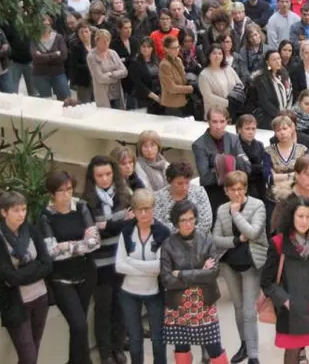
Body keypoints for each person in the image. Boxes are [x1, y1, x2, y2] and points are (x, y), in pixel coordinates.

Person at [260, 197, 309, 364]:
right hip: (291, 308)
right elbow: (266, 281)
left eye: (308, 216)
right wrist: (284, 301)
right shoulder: (278, 242)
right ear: (291, 217)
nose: (304, 221)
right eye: (300, 216)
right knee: (292, 354)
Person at [40, 171, 100, 364]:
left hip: (86, 274)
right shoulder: (46, 215)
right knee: (79, 325)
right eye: (61, 191)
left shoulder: (81, 208)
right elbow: (51, 251)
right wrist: (81, 245)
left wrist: (67, 246)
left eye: (69, 189)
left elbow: (95, 242)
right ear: (52, 194)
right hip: (62, 279)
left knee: (78, 328)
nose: (66, 195)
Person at [160, 200, 228, 364]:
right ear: (176, 222)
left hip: (205, 302)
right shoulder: (168, 245)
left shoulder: (206, 239)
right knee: (181, 349)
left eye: (191, 219)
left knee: (214, 348)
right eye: (183, 220)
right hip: (179, 306)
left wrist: (181, 274)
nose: (188, 224)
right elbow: (167, 280)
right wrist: (200, 274)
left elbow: (213, 273)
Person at [212, 171, 268, 364]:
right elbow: (215, 239)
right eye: (233, 190)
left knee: (249, 311)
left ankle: (253, 355)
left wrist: (236, 214)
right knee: (238, 307)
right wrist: (236, 240)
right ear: (226, 191)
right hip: (229, 262)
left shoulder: (257, 205)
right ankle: (244, 344)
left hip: (251, 261)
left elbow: (253, 233)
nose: (237, 193)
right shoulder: (221, 210)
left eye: (241, 189)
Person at [82, 155, 133, 364]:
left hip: (122, 259)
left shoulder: (124, 195)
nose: (105, 179)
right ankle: (105, 353)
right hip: (100, 263)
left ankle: (118, 348)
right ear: (92, 177)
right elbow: (93, 235)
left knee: (120, 307)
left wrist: (107, 226)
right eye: (100, 175)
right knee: (103, 309)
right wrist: (116, 224)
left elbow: (132, 225)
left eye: (108, 174)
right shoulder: (86, 202)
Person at [115, 189, 171, 364]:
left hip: (154, 292)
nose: (144, 213)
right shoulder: (126, 231)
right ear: (133, 210)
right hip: (128, 293)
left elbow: (159, 267)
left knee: (157, 337)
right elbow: (119, 265)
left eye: (148, 208)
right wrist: (145, 268)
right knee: (135, 337)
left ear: (154, 208)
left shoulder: (162, 232)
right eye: (139, 209)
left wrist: (132, 262)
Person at [0, 191, 52, 364]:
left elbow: (48, 265)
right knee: (28, 355)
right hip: (15, 304)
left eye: (24, 209)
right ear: (4, 212)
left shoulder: (31, 230)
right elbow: (9, 277)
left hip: (40, 297)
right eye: (16, 210)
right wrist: (35, 267)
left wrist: (23, 272)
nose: (22, 214)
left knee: (33, 350)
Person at [192, 106, 251, 214]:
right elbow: (205, 179)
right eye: (214, 122)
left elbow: (247, 167)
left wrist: (219, 165)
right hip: (216, 196)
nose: (218, 126)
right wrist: (233, 163)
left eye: (222, 121)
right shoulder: (199, 145)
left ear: (227, 122)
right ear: (208, 122)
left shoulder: (234, 139)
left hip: (237, 193)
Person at [153, 161, 213, 232]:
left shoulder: (199, 192)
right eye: (179, 183)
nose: (184, 187)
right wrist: (182, 236)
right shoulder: (158, 197)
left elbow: (206, 222)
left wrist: (189, 235)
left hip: (200, 239)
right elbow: (160, 225)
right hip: (171, 241)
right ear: (169, 180)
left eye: (187, 182)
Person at [31, 14, 71, 100]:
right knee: (45, 102)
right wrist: (55, 54)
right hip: (40, 74)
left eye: (47, 24)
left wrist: (42, 56)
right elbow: (35, 58)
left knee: (66, 99)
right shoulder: (34, 38)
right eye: (42, 24)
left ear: (51, 24)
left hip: (58, 73)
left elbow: (64, 56)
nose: (45, 27)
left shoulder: (58, 37)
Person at [197, 43, 243, 115]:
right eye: (214, 53)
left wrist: (235, 99)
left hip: (232, 112)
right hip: (214, 113)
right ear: (209, 55)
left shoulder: (228, 68)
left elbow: (240, 84)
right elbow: (208, 96)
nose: (217, 56)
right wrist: (228, 103)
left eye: (220, 54)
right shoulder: (204, 75)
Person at [253, 50, 293, 130]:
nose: (278, 62)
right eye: (274, 60)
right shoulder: (261, 79)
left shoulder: (284, 75)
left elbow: (290, 93)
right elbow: (265, 101)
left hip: (285, 115)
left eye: (279, 58)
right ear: (267, 62)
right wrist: (279, 115)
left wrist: (287, 112)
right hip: (268, 118)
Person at [159, 35, 194, 116]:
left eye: (177, 47)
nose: (176, 50)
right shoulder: (164, 65)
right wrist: (190, 88)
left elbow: (183, 78)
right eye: (173, 48)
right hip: (172, 104)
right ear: (166, 49)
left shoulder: (178, 60)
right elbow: (171, 88)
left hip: (183, 101)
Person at [129, 37, 165, 114]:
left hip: (158, 96)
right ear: (140, 47)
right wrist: (156, 98)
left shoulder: (156, 60)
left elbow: (162, 77)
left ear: (152, 49)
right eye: (143, 46)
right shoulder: (135, 62)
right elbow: (138, 85)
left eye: (148, 47)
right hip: (143, 99)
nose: (145, 49)